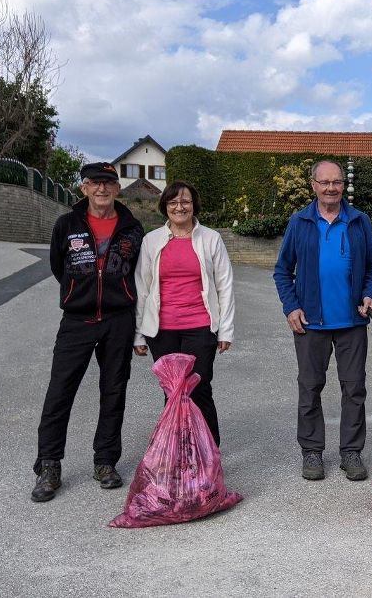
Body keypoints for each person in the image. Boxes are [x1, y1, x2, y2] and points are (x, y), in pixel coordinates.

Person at [31, 162, 144, 502]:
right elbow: (57, 265)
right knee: (59, 392)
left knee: (113, 392)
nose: (102, 190)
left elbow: (138, 271)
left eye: (108, 183)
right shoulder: (67, 224)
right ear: (84, 188)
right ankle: (49, 465)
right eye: (95, 183)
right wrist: (77, 294)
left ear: (117, 188)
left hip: (118, 320)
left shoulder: (132, 228)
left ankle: (106, 461)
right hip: (77, 320)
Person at [273, 160, 372, 482]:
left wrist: (369, 294)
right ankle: (312, 451)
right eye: (325, 182)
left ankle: (351, 451)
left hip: (352, 321)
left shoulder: (359, 221)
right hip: (310, 323)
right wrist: (291, 307)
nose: (331, 188)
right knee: (310, 387)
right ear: (314, 185)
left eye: (336, 182)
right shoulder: (300, 222)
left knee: (354, 389)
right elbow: (283, 270)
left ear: (342, 186)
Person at [133, 181, 234, 447]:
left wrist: (226, 330)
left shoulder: (211, 238)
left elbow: (225, 285)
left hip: (200, 326)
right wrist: (138, 336)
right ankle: (179, 452)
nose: (180, 207)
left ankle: (209, 452)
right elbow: (142, 289)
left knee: (198, 388)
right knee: (172, 391)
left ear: (194, 205)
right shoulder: (151, 241)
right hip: (162, 329)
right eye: (173, 202)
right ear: (165, 206)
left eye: (185, 201)